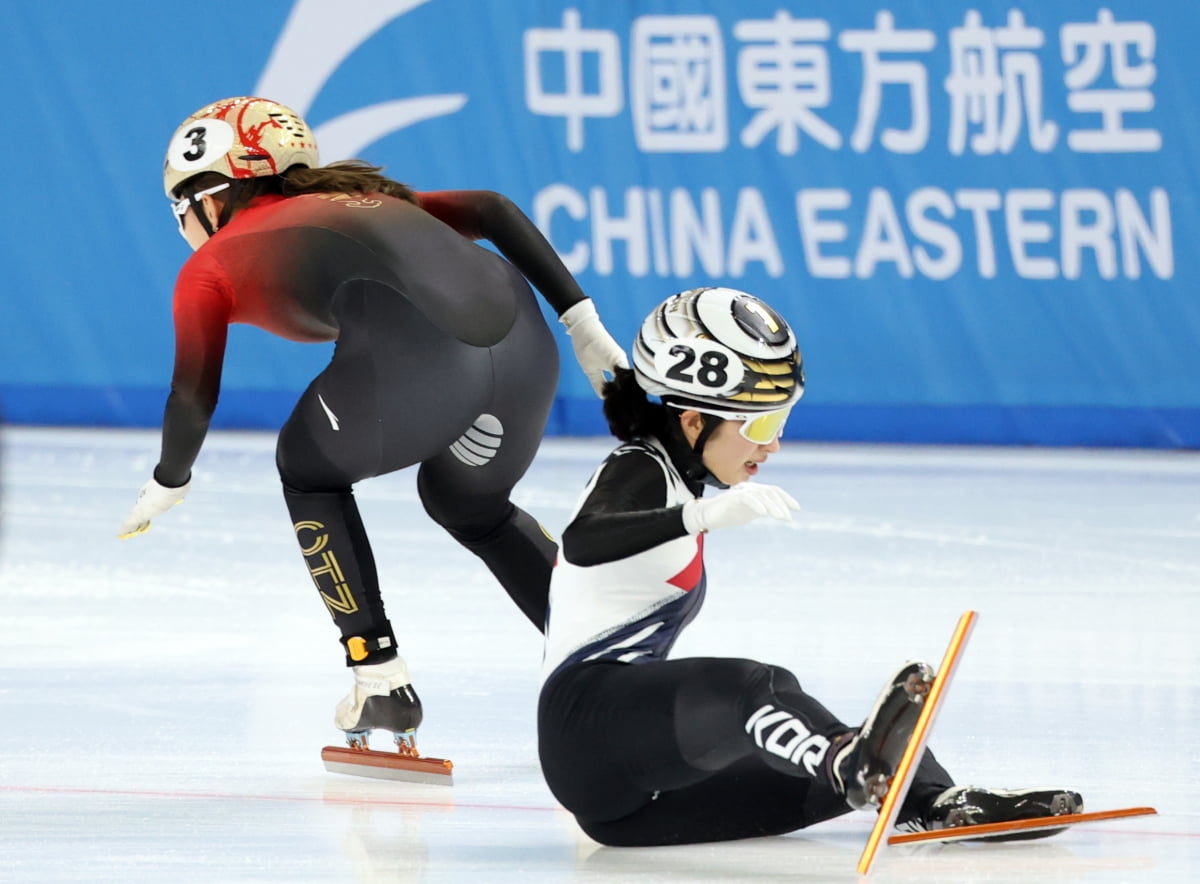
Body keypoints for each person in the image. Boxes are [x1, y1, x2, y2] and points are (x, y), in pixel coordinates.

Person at [118, 96, 627, 753]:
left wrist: (170, 479)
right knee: (466, 503)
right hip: (527, 354)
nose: (182, 225)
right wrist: (583, 324)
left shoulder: (210, 266)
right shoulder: (366, 195)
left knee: (306, 469)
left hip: (427, 363)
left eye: (179, 208)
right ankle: (609, 662)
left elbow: (192, 396)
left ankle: (379, 675)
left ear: (211, 196)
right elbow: (493, 208)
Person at [537, 285, 1082, 846]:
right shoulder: (640, 467)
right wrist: (699, 517)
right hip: (586, 733)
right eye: (761, 428)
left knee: (868, 752)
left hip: (630, 807)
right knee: (755, 687)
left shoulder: (678, 464)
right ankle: (845, 761)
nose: (772, 448)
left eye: (779, 424)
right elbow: (583, 540)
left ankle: (932, 804)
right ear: (695, 422)